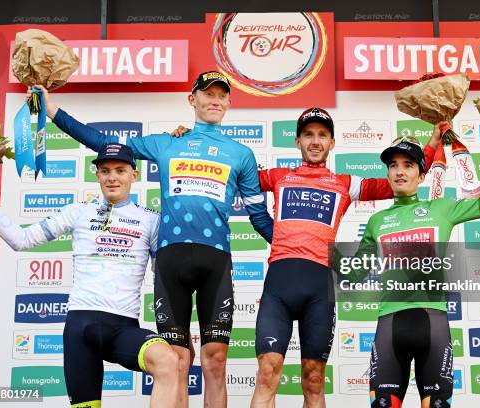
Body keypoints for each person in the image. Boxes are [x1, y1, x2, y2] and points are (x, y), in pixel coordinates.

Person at [30, 70, 273, 408]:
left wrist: (294, 247)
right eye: (208, 94)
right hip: (171, 263)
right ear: (193, 100)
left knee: (216, 361)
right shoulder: (166, 142)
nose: (215, 100)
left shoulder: (241, 154)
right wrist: (53, 110)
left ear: (230, 102)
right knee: (177, 360)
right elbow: (104, 145)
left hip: (216, 262)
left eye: (222, 95)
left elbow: (258, 215)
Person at [169, 108, 441, 407]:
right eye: (308, 135)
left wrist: (433, 141)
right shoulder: (278, 176)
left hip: (319, 290)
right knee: (267, 373)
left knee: (313, 380)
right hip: (279, 288)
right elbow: (227, 172)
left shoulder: (344, 183)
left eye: (322, 135)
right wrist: (190, 140)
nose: (315, 141)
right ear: (297, 141)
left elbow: (400, 180)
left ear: (332, 143)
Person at [0, 144, 180, 408]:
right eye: (105, 171)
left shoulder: (151, 220)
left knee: (168, 360)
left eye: (120, 171)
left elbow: (165, 273)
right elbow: (20, 240)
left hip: (122, 328)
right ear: (97, 176)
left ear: (133, 175)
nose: (112, 177)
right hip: (80, 331)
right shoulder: (78, 212)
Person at [355, 125, 480, 408]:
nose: (399, 172)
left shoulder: (442, 209)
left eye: (408, 165)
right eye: (393, 165)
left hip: (432, 325)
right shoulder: (376, 222)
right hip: (389, 325)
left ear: (421, 175)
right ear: (387, 173)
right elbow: (354, 271)